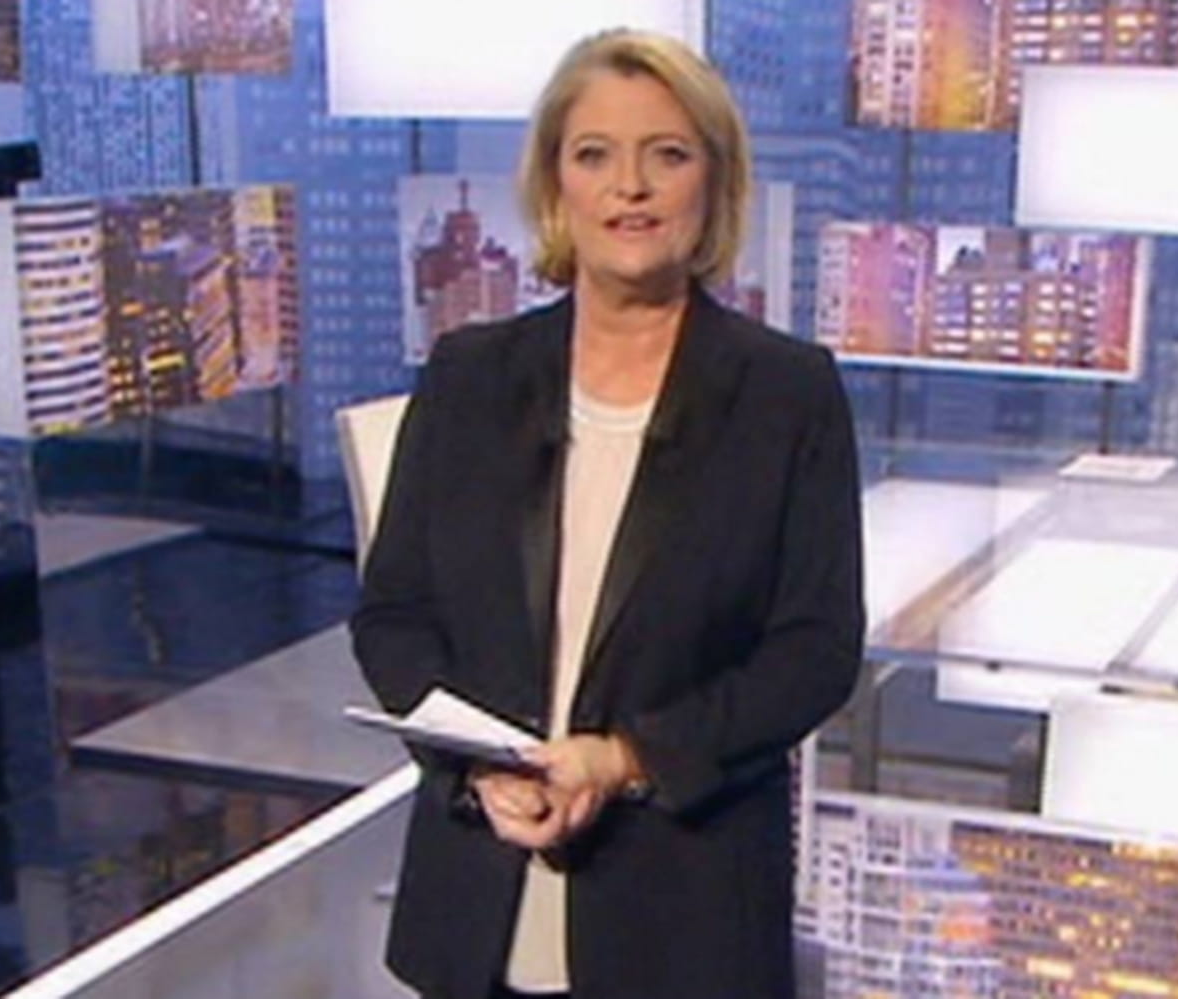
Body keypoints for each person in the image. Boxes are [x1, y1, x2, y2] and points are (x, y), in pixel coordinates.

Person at [352, 28, 864, 999]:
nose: (630, 187)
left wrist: (625, 759)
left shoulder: (786, 394)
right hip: (475, 911)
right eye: (595, 155)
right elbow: (395, 616)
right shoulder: (469, 378)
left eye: (667, 155)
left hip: (685, 926)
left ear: (714, 180)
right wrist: (477, 766)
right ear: (556, 184)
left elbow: (813, 651)